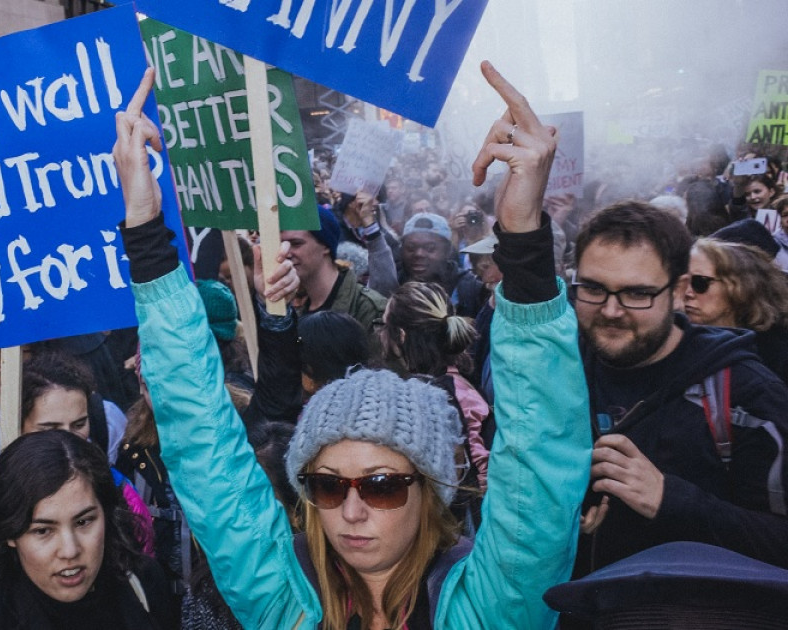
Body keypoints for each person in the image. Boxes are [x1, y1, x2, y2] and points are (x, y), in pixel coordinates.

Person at [113, 62, 590, 629]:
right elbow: (201, 441)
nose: (353, 512)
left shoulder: (486, 611)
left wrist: (524, 238)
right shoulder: (285, 607)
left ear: (431, 491)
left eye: (384, 486)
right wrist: (144, 226)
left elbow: (541, 456)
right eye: (327, 486)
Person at [572, 201, 788, 577]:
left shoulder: (745, 392)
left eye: (637, 293)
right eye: (592, 288)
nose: (610, 310)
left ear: (679, 290)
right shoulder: (564, 370)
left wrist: (669, 499)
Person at [0, 353, 155, 589]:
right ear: (19, 426)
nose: (67, 438)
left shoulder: (117, 490)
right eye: (50, 428)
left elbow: (143, 563)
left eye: (79, 424)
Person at [0, 430, 175, 629]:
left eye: (83, 522)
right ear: (10, 533)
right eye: (43, 531)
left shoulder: (144, 581)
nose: (70, 550)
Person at [383, 282, 491, 492]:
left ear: (401, 335)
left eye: (384, 325)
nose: (381, 334)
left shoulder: (428, 397)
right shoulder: (458, 382)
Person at [281, 207, 388, 353]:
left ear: (325, 246)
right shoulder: (292, 309)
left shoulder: (368, 309)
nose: (286, 253)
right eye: (281, 244)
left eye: (296, 244)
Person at [685, 237, 788, 385]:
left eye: (699, 283)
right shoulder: (676, 342)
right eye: (682, 282)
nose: (687, 292)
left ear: (740, 288)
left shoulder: (778, 357)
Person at [399, 212, 487, 318]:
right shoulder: (395, 284)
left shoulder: (471, 289)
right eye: (411, 248)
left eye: (430, 248)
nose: (419, 254)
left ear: (447, 251)